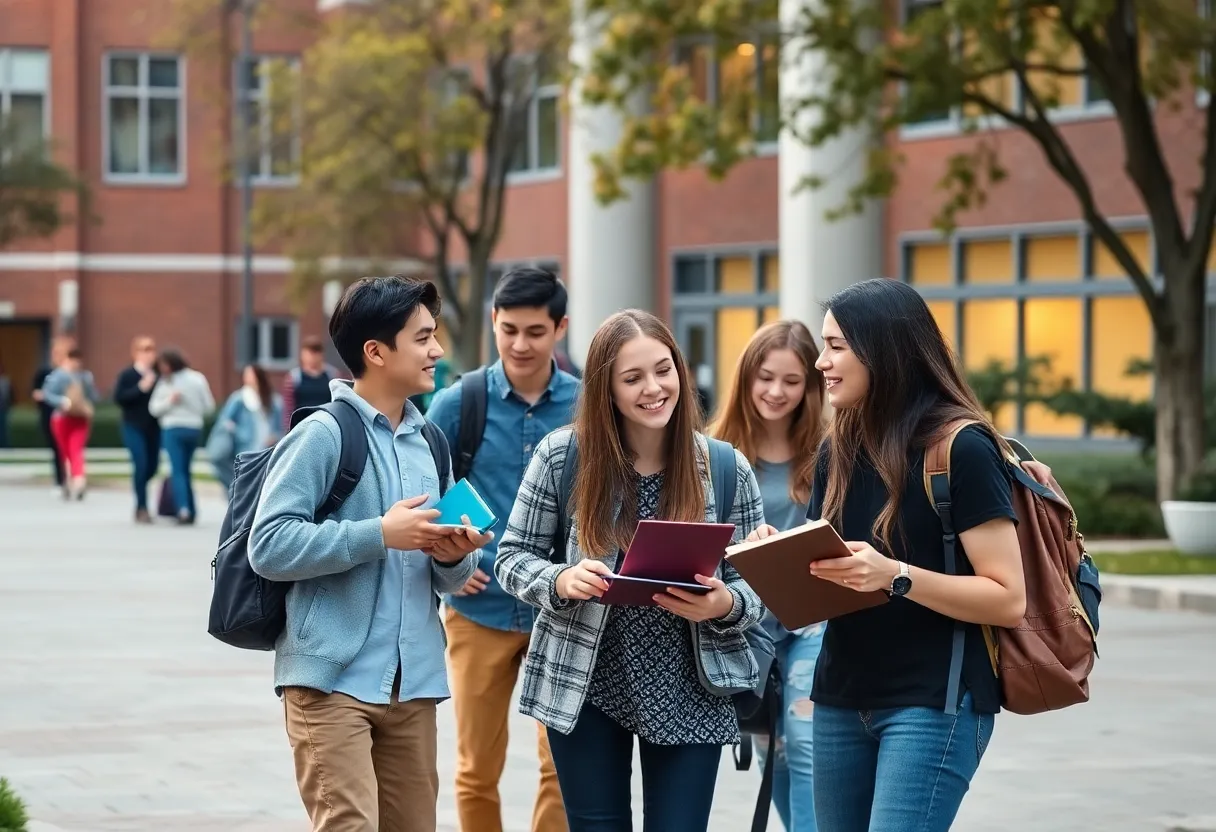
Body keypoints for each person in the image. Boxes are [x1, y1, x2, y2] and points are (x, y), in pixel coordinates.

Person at [746, 279, 1030, 832]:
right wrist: (777, 558)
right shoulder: (838, 448)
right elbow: (826, 584)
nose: (821, 363)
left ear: (883, 351)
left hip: (934, 703)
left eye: (836, 347)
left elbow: (1008, 599)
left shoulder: (961, 448)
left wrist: (897, 576)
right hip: (838, 695)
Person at [494, 309, 765, 832]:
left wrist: (725, 603)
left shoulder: (726, 466)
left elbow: (756, 584)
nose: (654, 388)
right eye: (633, 378)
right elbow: (512, 557)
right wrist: (560, 580)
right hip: (587, 680)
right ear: (606, 389)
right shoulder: (563, 456)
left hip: (690, 683)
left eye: (664, 370)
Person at [248, 275, 491, 832]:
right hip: (330, 682)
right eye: (423, 338)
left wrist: (455, 555)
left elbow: (450, 579)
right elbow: (269, 544)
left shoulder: (431, 441)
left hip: (414, 683)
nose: (437, 351)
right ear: (376, 352)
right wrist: (377, 533)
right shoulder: (324, 434)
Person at [427, 267, 578, 832]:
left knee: (562, 767)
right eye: (508, 328)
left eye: (535, 331)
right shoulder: (457, 403)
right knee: (474, 768)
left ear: (559, 328)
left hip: (561, 613)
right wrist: (447, 565)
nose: (520, 344)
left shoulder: (587, 406)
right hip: (478, 608)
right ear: (493, 321)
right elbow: (421, 495)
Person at [709, 319, 825, 832]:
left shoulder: (830, 454)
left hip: (812, 620)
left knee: (805, 742)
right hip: (744, 625)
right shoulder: (712, 452)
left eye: (792, 380)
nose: (776, 392)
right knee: (768, 747)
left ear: (810, 387)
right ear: (745, 378)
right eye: (765, 377)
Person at [149, 348, 215, 525]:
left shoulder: (168, 382)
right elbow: (209, 406)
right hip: (194, 428)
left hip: (173, 428)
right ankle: (192, 509)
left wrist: (169, 401)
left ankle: (183, 509)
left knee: (177, 469)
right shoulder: (198, 378)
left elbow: (154, 408)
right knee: (186, 469)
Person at [208, 364, 284, 495]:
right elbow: (226, 421)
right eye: (246, 375)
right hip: (244, 446)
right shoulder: (239, 398)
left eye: (250, 375)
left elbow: (279, 425)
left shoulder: (273, 400)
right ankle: (238, 508)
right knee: (243, 482)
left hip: (266, 447)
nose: (247, 378)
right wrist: (239, 433)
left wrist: (275, 436)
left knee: (261, 484)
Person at [40, 346, 101, 501]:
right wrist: (62, 401)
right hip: (62, 417)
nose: (76, 363)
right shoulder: (57, 376)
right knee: (65, 451)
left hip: (80, 417)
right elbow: (47, 394)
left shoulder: (85, 376)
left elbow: (93, 396)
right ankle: (67, 480)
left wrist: (87, 400)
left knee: (76, 449)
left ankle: (79, 481)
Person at [113, 336, 162, 523]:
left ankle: (140, 486)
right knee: (140, 464)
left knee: (152, 466)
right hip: (133, 425)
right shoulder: (128, 375)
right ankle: (141, 507)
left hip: (153, 427)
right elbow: (119, 398)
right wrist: (141, 388)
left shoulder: (158, 375)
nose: (149, 354)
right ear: (136, 353)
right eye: (144, 350)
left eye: (151, 350)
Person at [31, 336, 73, 495]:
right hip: (49, 414)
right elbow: (36, 393)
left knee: (70, 448)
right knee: (56, 448)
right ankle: (60, 480)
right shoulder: (44, 372)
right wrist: (45, 395)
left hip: (68, 414)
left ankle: (72, 477)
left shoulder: (69, 372)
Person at [281, 335, 342, 431]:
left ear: (322, 354)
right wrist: (288, 431)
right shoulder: (294, 378)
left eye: (316, 353)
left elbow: (338, 404)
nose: (312, 357)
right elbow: (288, 408)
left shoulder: (333, 376)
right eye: (309, 353)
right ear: (302, 354)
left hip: (326, 426)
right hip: (300, 427)